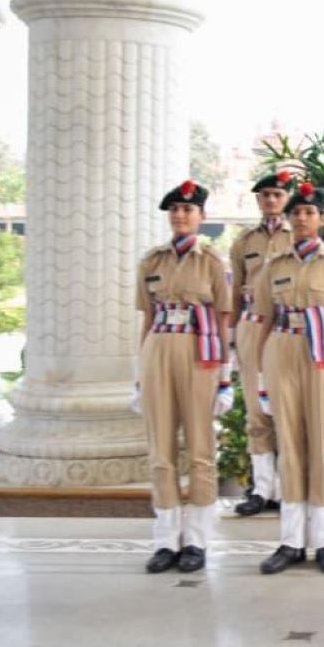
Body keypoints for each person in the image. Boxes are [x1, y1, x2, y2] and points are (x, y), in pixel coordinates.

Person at [250, 180, 324, 575]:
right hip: (283, 348)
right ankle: (291, 540)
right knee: (289, 445)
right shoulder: (274, 266)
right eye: (296, 212)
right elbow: (264, 320)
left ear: (321, 219)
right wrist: (261, 376)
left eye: (309, 212)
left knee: (322, 444)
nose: (301, 218)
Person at [135, 180, 233, 573]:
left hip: (199, 353)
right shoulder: (152, 261)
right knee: (160, 450)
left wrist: (225, 378)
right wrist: (139, 375)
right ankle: (166, 539)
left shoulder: (212, 261)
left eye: (188, 209)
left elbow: (224, 320)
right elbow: (147, 319)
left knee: (199, 449)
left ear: (201, 216)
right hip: (159, 347)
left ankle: (196, 539)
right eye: (174, 209)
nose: (180, 215)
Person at [230, 170, 297, 516]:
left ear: (287, 199)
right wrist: (230, 335)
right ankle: (262, 487)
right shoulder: (244, 242)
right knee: (256, 410)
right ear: (258, 200)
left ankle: (288, 485)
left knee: (287, 406)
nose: (271, 200)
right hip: (253, 325)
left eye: (277, 194)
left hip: (287, 327)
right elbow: (234, 290)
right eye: (265, 195)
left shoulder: (298, 235)